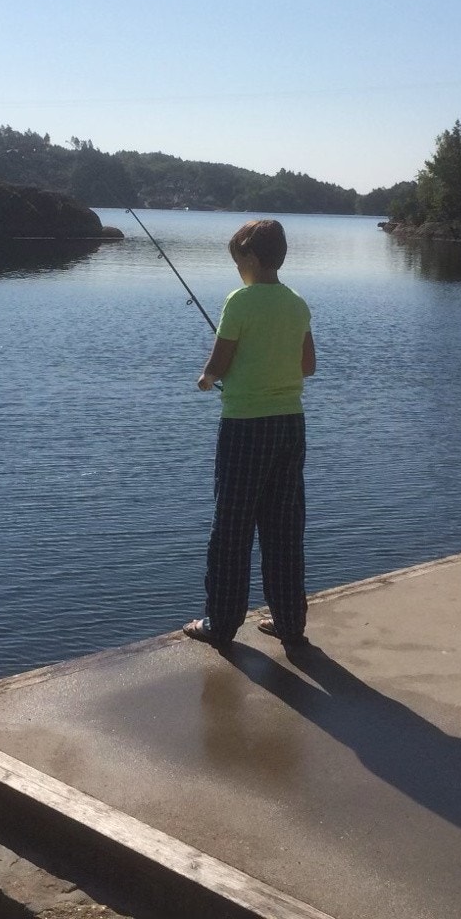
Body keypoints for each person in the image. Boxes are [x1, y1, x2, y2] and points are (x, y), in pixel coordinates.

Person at [183, 219, 317, 649]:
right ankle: (290, 622)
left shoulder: (239, 301)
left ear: (252, 259)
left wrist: (205, 380)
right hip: (290, 425)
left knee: (233, 527)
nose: (237, 269)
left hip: (245, 427)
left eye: (238, 261)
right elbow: (308, 366)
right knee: (284, 525)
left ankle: (220, 624)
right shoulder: (296, 303)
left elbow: (218, 366)